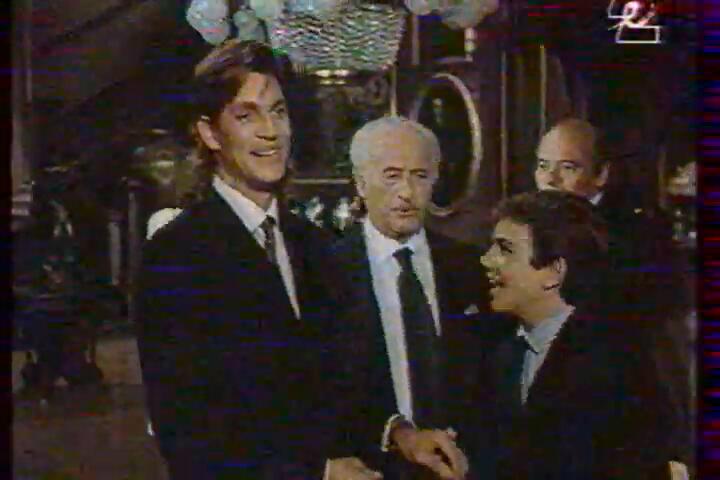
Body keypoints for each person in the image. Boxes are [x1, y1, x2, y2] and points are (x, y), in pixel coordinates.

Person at [136, 40, 344, 479]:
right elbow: (186, 431)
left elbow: (336, 386)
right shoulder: (175, 256)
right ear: (210, 133)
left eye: (279, 112)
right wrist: (317, 472)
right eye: (246, 116)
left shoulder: (314, 244)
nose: (271, 131)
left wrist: (396, 431)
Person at [329, 116, 510, 479]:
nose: (407, 193)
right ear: (360, 183)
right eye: (392, 176)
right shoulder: (324, 271)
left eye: (420, 176)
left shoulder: (470, 266)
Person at [474, 190, 684, 479]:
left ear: (553, 272)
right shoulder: (501, 355)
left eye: (505, 249)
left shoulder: (617, 362)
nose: (486, 260)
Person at [534, 117, 693, 467]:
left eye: (568, 167)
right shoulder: (530, 225)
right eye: (543, 166)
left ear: (601, 175)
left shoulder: (636, 235)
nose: (550, 180)